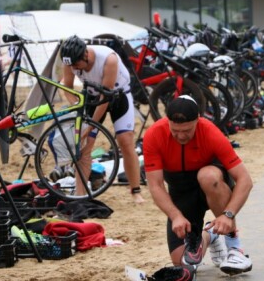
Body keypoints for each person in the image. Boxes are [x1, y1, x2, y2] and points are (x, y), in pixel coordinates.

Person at [143, 95, 253, 276]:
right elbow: (155, 186)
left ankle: (234, 248)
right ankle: (211, 234)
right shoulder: (154, 135)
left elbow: (245, 180)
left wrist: (228, 215)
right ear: (167, 121)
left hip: (211, 182)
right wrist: (176, 216)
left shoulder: (210, 132)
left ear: (198, 120)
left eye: (187, 130)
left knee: (208, 176)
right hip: (181, 189)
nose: (180, 136)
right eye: (175, 130)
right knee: (183, 264)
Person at [60, 35, 145, 204]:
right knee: (84, 146)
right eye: (72, 66)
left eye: (77, 66)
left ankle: (135, 190)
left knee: (125, 140)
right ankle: (80, 194)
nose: (75, 69)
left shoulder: (108, 59)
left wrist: (91, 127)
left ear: (85, 55)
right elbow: (66, 86)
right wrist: (76, 105)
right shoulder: (69, 60)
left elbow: (105, 99)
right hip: (92, 97)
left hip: (117, 96)